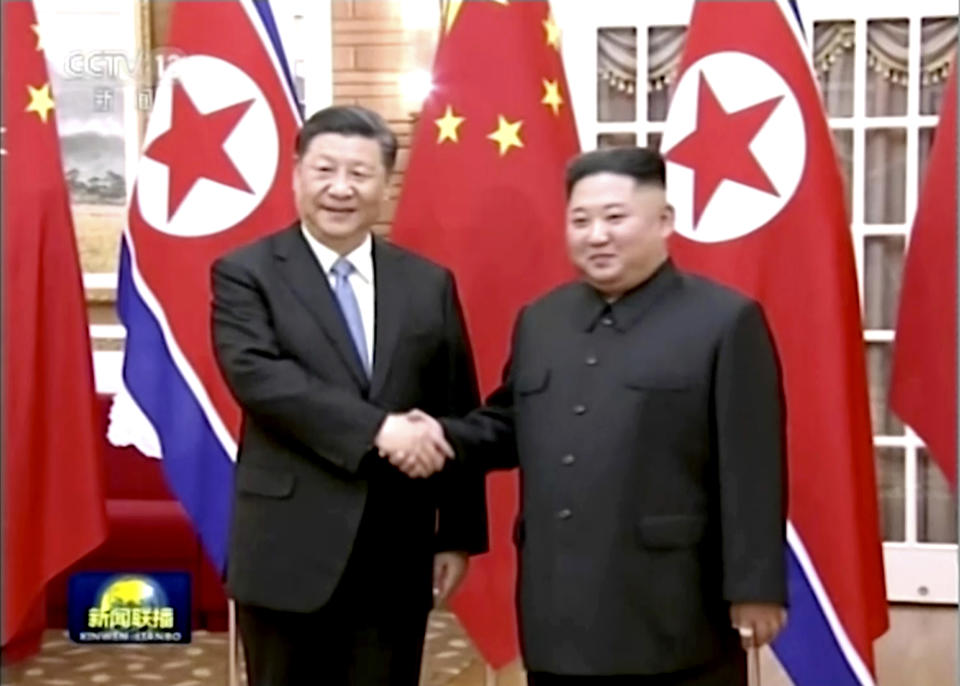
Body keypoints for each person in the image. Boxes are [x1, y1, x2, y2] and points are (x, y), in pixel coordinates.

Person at [391, 147, 788, 684]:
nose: (596, 235)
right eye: (580, 220)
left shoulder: (724, 320)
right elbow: (508, 425)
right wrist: (435, 434)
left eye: (615, 218)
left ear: (664, 221)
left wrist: (755, 587)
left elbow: (753, 466)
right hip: (560, 612)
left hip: (673, 613)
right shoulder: (542, 319)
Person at [210, 105, 488, 686]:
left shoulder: (427, 283)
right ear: (296, 175)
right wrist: (377, 430)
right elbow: (261, 379)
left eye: (360, 174)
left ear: (385, 184)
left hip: (394, 551)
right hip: (286, 549)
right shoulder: (246, 272)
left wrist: (458, 534)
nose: (341, 188)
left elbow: (455, 404)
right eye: (325, 170)